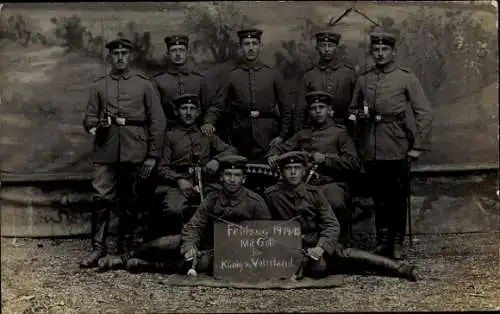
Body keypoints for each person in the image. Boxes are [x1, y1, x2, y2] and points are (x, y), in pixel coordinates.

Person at [96, 155, 272, 273]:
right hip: (205, 242)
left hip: (230, 253)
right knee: (165, 243)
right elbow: (194, 226)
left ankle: (146, 266)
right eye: (228, 175)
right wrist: (190, 246)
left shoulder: (255, 202)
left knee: (197, 264)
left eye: (236, 175)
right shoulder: (212, 199)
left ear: (244, 179)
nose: (232, 180)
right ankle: (123, 257)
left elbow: (265, 236)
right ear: (221, 177)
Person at [80, 38, 166, 268]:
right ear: (110, 56)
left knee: (132, 199)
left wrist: (152, 155)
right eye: (115, 53)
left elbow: (158, 121)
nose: (119, 57)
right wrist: (96, 124)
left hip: (135, 149)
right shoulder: (100, 85)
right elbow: (87, 119)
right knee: (100, 198)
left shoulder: (144, 85)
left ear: (130, 56)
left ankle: (127, 247)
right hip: (105, 149)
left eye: (124, 53)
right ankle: (98, 248)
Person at [264, 151, 417, 281]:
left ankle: (401, 268)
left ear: (304, 171)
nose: (292, 173)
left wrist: (320, 247)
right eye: (288, 169)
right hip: (290, 248)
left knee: (349, 254)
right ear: (281, 172)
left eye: (297, 168)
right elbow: (265, 226)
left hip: (317, 242)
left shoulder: (315, 193)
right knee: (319, 269)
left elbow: (330, 224)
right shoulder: (272, 196)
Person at [348, 29, 433, 260]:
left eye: (384, 49)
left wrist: (418, 145)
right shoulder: (364, 79)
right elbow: (352, 110)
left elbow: (424, 112)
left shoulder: (406, 77)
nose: (380, 53)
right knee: (379, 196)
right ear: (371, 52)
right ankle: (382, 241)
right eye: (376, 50)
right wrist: (358, 117)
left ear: (393, 52)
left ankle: (396, 243)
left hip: (396, 144)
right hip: (371, 146)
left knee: (397, 196)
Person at [267, 91, 360, 241]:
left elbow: (353, 163)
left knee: (335, 203)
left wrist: (326, 159)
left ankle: (335, 244)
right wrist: (273, 154)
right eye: (313, 108)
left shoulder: (339, 133)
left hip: (330, 183)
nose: (317, 111)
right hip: (304, 185)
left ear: (329, 110)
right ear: (309, 111)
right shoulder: (303, 133)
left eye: (321, 107)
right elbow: (282, 148)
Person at [154, 93, 237, 236]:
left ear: (197, 112)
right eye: (184, 108)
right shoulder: (169, 136)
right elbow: (161, 167)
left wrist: (217, 160)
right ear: (177, 112)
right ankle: (180, 244)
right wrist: (178, 180)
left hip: (206, 181)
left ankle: (212, 243)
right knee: (174, 210)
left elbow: (232, 150)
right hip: (179, 182)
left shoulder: (206, 134)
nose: (188, 112)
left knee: (224, 206)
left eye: (192, 108)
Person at [220, 28, 293, 162]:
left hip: (269, 134)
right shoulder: (232, 75)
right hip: (239, 135)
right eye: (246, 44)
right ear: (241, 48)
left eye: (254, 43)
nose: (251, 48)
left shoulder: (273, 74)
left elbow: (286, 109)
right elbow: (220, 106)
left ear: (261, 46)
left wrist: (282, 136)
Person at [153, 34, 223, 135]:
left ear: (187, 52)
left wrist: (208, 122)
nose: (178, 54)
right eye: (173, 51)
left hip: (198, 132)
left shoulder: (200, 79)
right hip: (169, 133)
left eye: (181, 50)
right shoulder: (159, 81)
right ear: (167, 54)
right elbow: (155, 112)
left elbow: (214, 104)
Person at [294, 31, 357, 133]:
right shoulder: (309, 75)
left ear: (337, 47)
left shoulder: (349, 74)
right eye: (323, 46)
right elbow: (300, 109)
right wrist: (300, 133)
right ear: (317, 48)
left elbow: (357, 104)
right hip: (315, 130)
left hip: (344, 128)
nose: (326, 50)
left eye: (330, 46)